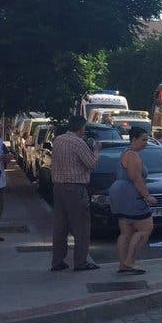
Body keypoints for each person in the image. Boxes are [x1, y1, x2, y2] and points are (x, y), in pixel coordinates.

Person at [50, 116, 101, 272]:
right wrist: (96, 150)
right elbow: (91, 164)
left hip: (58, 187)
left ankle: (57, 261)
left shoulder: (58, 140)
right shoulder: (78, 142)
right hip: (75, 188)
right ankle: (80, 262)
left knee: (60, 226)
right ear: (81, 128)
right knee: (81, 227)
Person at [109, 128, 158, 274]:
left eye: (147, 139)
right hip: (132, 196)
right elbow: (136, 178)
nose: (146, 143)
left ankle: (123, 265)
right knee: (146, 228)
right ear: (134, 139)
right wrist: (147, 196)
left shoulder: (125, 152)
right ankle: (130, 261)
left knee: (126, 232)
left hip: (119, 195)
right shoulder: (133, 156)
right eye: (143, 139)